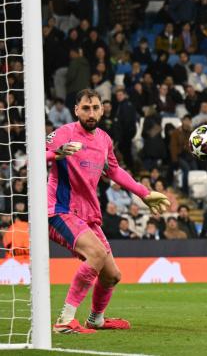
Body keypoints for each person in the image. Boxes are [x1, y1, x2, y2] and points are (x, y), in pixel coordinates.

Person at [46, 89, 169, 333]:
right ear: (76, 110)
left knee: (112, 275)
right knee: (96, 255)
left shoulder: (104, 139)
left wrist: (144, 193)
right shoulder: (63, 133)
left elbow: (113, 171)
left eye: (95, 108)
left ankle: (96, 319)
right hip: (59, 210)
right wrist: (55, 154)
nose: (91, 113)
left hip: (88, 215)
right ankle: (64, 321)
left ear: (103, 110)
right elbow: (33, 156)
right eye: (85, 108)